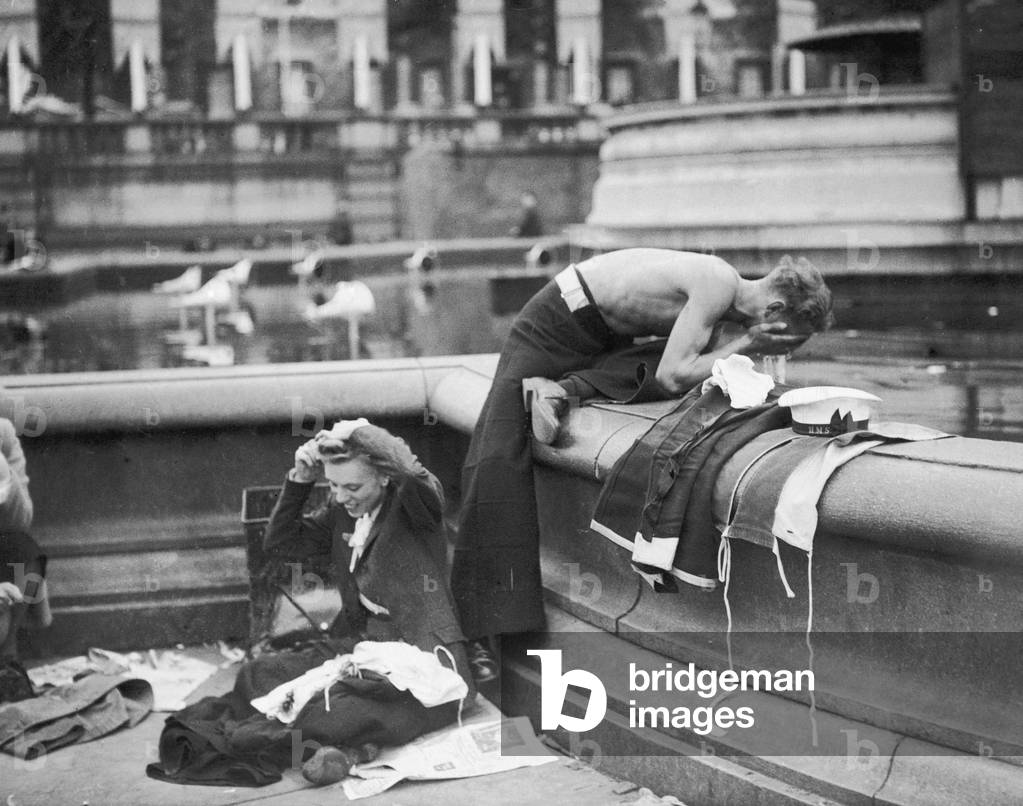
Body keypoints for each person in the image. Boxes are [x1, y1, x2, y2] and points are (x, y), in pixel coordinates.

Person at [451, 249, 833, 676]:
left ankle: (558, 390)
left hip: (601, 342)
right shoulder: (717, 282)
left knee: (700, 369)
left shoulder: (718, 310)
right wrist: (746, 344)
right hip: (554, 323)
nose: (782, 351)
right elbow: (673, 375)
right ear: (775, 310)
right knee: (497, 456)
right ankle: (471, 632)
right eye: (787, 340)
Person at [248, 418, 475, 784]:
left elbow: (410, 471)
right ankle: (351, 747)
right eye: (334, 486)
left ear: (383, 477)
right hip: (363, 648)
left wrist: (359, 434)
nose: (340, 496)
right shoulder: (344, 512)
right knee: (258, 674)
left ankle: (346, 747)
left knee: (337, 711)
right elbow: (281, 543)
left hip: (423, 660)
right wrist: (301, 479)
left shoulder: (415, 509)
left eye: (352, 486)